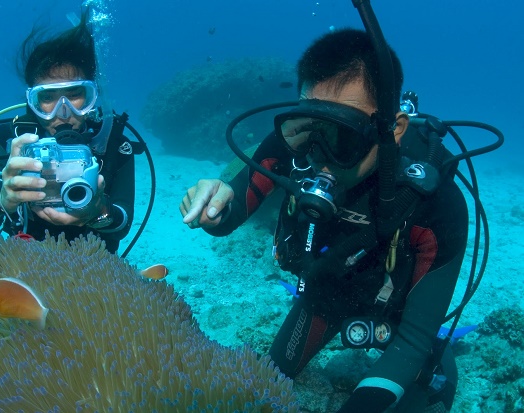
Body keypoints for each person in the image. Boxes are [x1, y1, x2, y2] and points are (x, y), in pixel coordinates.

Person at [180, 29, 467, 413]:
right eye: (309, 129)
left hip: (401, 318)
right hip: (327, 293)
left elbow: (415, 339)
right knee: (263, 387)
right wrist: (213, 207)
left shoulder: (435, 202)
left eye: (343, 135)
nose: (319, 154)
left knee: (428, 395)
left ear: (393, 129)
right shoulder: (289, 148)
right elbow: (229, 215)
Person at [0, 11, 134, 253]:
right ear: (32, 102)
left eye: (75, 94)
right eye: (47, 97)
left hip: (96, 265)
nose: (63, 112)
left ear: (93, 98)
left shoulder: (114, 145)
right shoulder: (11, 138)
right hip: (25, 257)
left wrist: (99, 211)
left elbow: (123, 222)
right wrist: (4, 195)